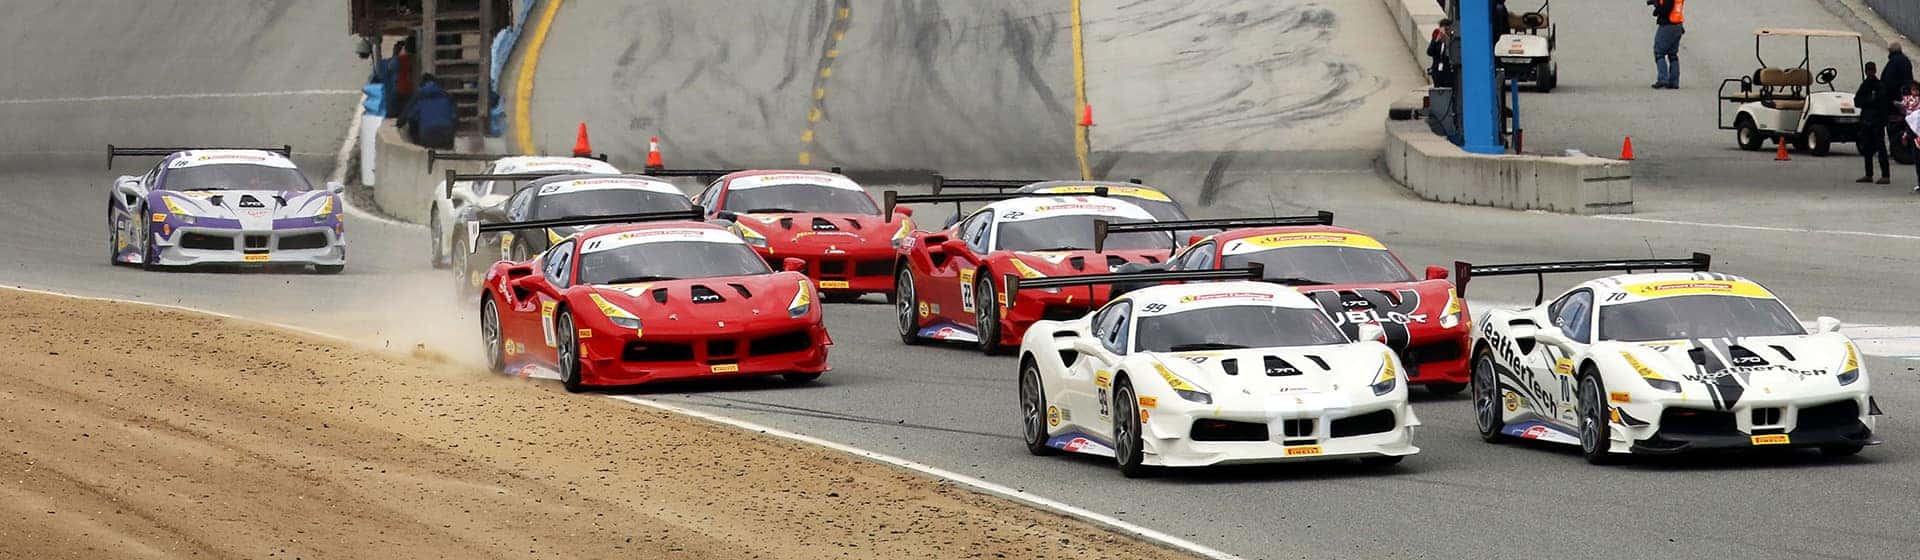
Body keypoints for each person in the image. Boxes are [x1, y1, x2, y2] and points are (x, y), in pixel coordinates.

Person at [400, 74, 457, 150]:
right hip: (447, 134)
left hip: (428, 135)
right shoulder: (446, 95)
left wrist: (400, 122)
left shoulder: (419, 96)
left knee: (413, 122)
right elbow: (454, 116)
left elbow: (411, 116)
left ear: (422, 84)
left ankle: (418, 148)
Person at [1856, 63, 1889, 184]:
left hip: (1877, 120)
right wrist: (1869, 101)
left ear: (1875, 70)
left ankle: (1886, 175)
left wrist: (1883, 121)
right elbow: (1857, 101)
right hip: (1866, 119)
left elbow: (1882, 104)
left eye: (1871, 70)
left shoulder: (1880, 86)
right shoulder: (1865, 85)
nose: (1870, 72)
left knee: (1881, 148)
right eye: (1868, 70)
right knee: (1867, 148)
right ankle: (1868, 174)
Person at [1648, 0, 1685, 89]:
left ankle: (1663, 79)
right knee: (1672, 54)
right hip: (1677, 25)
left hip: (1667, 26)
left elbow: (1666, 9)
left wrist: (1657, 8)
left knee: (1659, 52)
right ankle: (1674, 81)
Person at [1427, 19, 1455, 87]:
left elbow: (1450, 55)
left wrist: (1447, 39)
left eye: (1446, 29)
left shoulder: (1452, 40)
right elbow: (1429, 52)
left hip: (1448, 72)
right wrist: (1436, 40)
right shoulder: (1436, 39)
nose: (1444, 32)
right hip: (1437, 71)